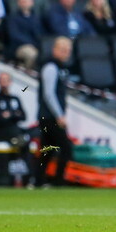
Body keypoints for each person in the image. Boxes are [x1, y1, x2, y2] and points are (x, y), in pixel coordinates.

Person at [37, 37, 74, 187]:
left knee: (47, 151)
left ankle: (38, 181)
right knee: (66, 148)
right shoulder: (51, 67)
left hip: (49, 116)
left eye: (68, 50)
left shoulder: (60, 68)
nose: (66, 53)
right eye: (63, 50)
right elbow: (49, 94)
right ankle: (59, 182)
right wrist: (59, 115)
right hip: (50, 117)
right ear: (55, 50)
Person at [7, 0, 44, 67]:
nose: (25, 2)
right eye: (22, 0)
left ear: (32, 2)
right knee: (31, 54)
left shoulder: (36, 18)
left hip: (35, 46)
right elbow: (14, 35)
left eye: (27, 0)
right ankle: (28, 75)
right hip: (19, 47)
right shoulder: (13, 18)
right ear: (18, 2)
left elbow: (39, 34)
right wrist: (31, 43)